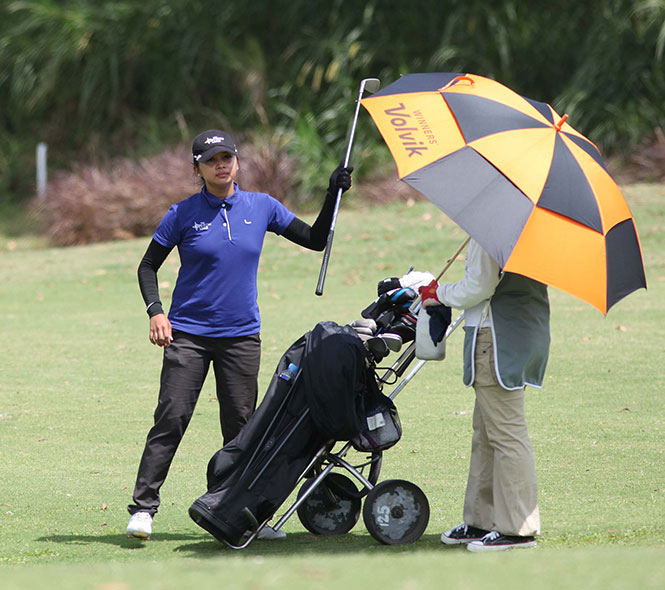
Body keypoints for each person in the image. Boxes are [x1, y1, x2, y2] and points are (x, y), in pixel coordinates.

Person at [126, 129, 353, 540]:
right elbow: (147, 266)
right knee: (172, 418)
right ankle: (144, 508)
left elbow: (316, 240)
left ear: (237, 161)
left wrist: (332, 194)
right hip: (189, 335)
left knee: (244, 428)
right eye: (211, 159)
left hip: (241, 337)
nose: (221, 164)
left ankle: (242, 514)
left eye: (227, 156)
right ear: (197, 167)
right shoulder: (182, 213)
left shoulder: (261, 206)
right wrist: (156, 312)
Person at [419, 238, 550, 552]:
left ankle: (517, 529)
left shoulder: (492, 228)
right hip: (519, 333)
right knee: (486, 432)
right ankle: (480, 520)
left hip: (497, 338)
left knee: (506, 434)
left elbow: (478, 287)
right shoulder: (525, 225)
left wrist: (439, 294)